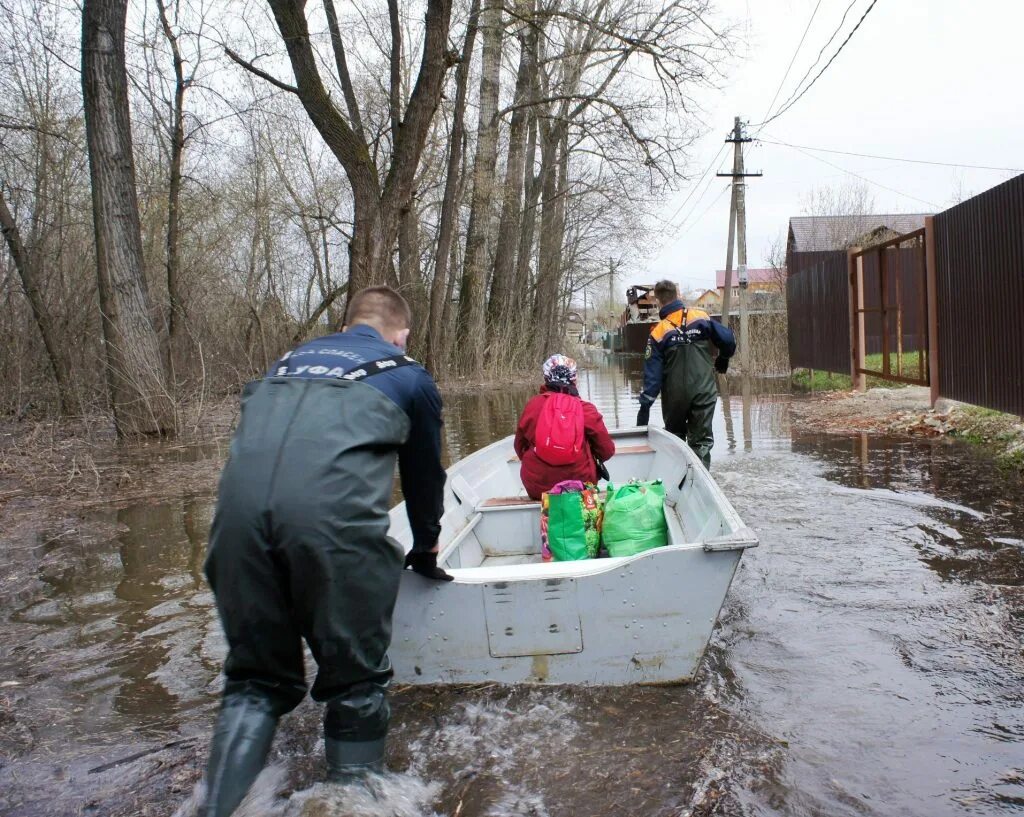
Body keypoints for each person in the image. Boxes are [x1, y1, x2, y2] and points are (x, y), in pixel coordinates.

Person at [201, 286, 451, 817]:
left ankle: (212, 810)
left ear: (345, 325)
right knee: (355, 681)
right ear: (400, 334)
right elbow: (425, 478)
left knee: (254, 682)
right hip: (330, 531)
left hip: (234, 530)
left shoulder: (288, 361)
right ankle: (352, 794)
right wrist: (426, 544)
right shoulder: (409, 375)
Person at [636, 280, 735, 469]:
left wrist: (645, 408)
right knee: (701, 442)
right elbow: (728, 340)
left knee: (676, 441)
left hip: (675, 398)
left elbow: (652, 378)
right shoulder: (700, 317)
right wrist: (723, 358)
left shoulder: (658, 332)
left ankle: (679, 484)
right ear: (678, 296)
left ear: (658, 302)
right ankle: (701, 483)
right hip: (704, 392)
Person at [515, 354, 615, 500]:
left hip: (538, 489)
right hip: (580, 487)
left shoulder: (533, 406)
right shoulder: (586, 410)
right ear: (574, 379)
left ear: (546, 378)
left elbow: (519, 447)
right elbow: (607, 451)